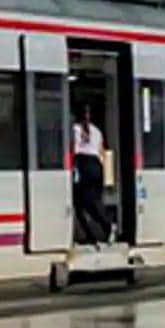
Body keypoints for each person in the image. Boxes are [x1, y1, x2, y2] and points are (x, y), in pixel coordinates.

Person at [71, 104, 113, 247]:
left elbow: (73, 150)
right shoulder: (97, 130)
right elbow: (102, 151)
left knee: (79, 204)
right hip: (96, 166)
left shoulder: (74, 129)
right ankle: (102, 227)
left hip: (83, 164)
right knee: (92, 201)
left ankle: (100, 228)